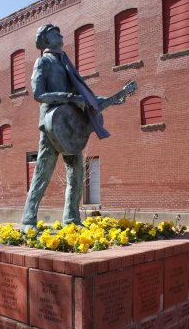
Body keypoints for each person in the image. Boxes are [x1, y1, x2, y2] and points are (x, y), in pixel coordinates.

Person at [20, 24, 121, 231]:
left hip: (70, 127)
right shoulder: (43, 62)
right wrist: (69, 98)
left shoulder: (66, 64)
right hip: (51, 124)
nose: (61, 34)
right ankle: (28, 221)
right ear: (46, 40)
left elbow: (82, 96)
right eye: (55, 33)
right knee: (42, 174)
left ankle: (72, 219)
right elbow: (38, 94)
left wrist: (101, 101)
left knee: (76, 175)